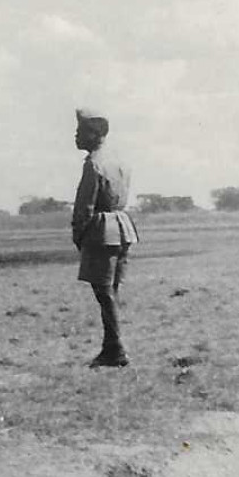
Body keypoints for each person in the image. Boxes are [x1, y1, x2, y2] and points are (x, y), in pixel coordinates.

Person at [72, 107, 139, 367]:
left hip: (102, 231)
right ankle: (112, 347)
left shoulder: (94, 164)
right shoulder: (119, 160)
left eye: (80, 132)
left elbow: (85, 206)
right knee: (111, 291)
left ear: (93, 134)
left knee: (104, 292)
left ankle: (116, 349)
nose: (76, 137)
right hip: (122, 228)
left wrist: (79, 234)